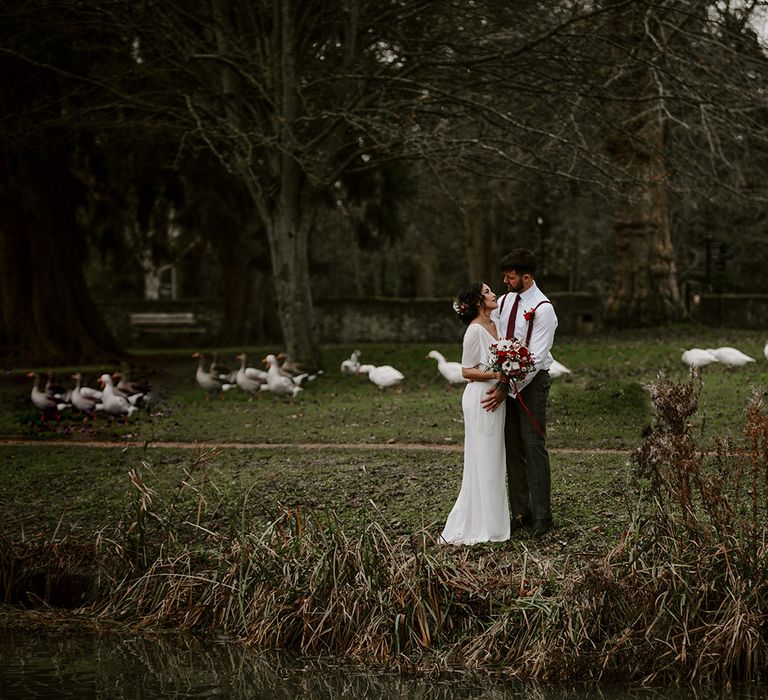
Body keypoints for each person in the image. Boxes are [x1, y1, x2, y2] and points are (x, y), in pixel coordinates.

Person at [482, 249, 558, 537]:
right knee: (512, 447)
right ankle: (520, 512)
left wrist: (507, 387)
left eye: (510, 277)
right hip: (505, 382)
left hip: (532, 383)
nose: (505, 281)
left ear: (526, 277)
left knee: (533, 446)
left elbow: (536, 358)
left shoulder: (543, 308)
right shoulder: (504, 300)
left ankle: (542, 516)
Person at [440, 281, 510, 544]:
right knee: (483, 458)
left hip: (496, 396)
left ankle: (493, 520)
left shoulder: (496, 325)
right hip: (480, 398)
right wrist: (497, 374)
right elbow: (466, 371)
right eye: (488, 292)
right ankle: (481, 523)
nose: (494, 295)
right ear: (479, 301)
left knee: (494, 458)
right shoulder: (474, 331)